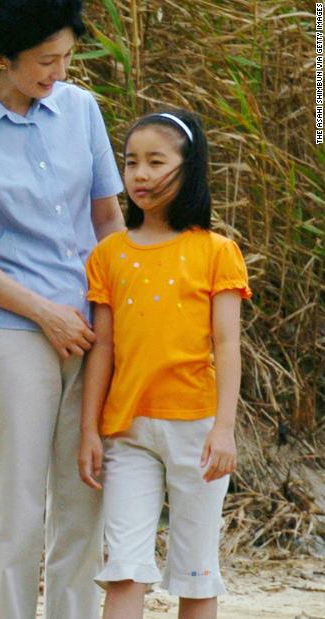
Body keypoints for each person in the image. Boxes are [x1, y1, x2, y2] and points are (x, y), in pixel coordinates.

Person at [0, 0, 126, 616]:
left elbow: (106, 218)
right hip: (12, 333)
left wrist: (112, 314)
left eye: (67, 56)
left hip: (92, 328)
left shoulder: (81, 109)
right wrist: (45, 313)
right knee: (13, 507)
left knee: (84, 498)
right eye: (45, 61)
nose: (59, 72)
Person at [78, 109, 249, 619]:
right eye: (131, 162)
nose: (141, 175)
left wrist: (224, 429)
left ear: (189, 166)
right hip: (127, 433)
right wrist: (89, 429)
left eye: (156, 161)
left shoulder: (217, 251)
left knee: (196, 572)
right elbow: (102, 349)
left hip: (198, 433)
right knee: (124, 568)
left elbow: (227, 344)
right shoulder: (110, 253)